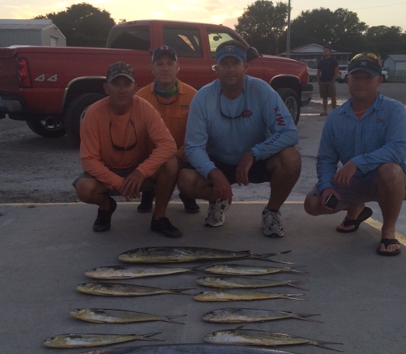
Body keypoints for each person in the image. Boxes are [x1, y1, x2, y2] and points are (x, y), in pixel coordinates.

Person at [177, 40, 301, 237]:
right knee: (185, 180)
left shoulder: (262, 91)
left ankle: (272, 212)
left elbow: (289, 132)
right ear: (216, 68)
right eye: (224, 64)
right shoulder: (202, 97)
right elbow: (193, 147)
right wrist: (214, 173)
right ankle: (218, 201)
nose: (230, 69)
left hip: (255, 160)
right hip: (219, 160)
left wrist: (254, 153)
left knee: (291, 157)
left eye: (235, 63)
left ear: (245, 66)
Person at [304, 53, 406, 256]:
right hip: (351, 182)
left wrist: (356, 163)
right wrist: (326, 186)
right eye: (356, 77)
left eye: (367, 78)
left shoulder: (394, 109)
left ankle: (388, 231)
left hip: (385, 180)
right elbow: (326, 158)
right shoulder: (335, 117)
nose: (361, 83)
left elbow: (398, 149)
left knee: (391, 171)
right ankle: (356, 211)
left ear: (379, 81)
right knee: (313, 203)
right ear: (347, 79)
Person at [73, 61, 182, 238]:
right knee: (84, 188)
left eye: (127, 84)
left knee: (171, 164)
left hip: (137, 171)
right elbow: (88, 160)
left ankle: (159, 218)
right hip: (107, 171)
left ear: (134, 88)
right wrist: (118, 183)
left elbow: (168, 145)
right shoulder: (92, 114)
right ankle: (106, 207)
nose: (121, 90)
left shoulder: (145, 108)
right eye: (116, 84)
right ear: (106, 88)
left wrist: (141, 171)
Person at [136, 45, 200, 214]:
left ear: (178, 67)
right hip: (152, 158)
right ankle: (148, 192)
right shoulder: (140, 98)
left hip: (184, 155)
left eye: (170, 63)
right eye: (160, 64)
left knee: (175, 165)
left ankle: (187, 194)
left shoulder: (194, 96)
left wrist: (178, 157)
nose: (165, 68)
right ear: (152, 68)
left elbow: (198, 136)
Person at [316, 46, 339, 116]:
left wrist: (333, 79)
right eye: (324, 51)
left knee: (333, 96)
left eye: (326, 51)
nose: (325, 52)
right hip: (323, 81)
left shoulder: (333, 61)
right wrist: (318, 81)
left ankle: (334, 111)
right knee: (324, 97)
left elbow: (336, 70)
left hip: (330, 81)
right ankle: (325, 111)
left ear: (330, 52)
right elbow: (318, 72)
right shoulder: (321, 62)